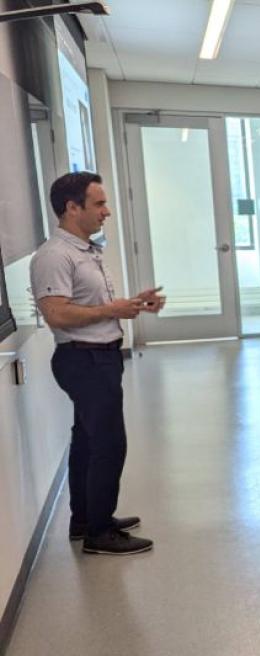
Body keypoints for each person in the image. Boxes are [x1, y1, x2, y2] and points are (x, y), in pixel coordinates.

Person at [31, 172, 166, 555]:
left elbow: (87, 306)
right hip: (83, 360)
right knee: (109, 444)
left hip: (98, 357)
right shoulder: (55, 256)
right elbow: (57, 314)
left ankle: (85, 519)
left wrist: (131, 304)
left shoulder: (85, 250)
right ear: (72, 208)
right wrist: (113, 309)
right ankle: (100, 534)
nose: (107, 211)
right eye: (99, 204)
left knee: (88, 441)